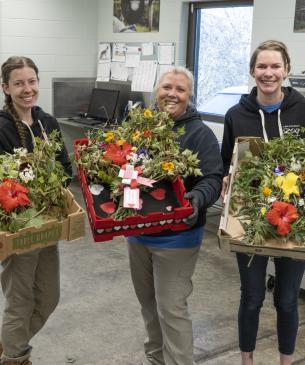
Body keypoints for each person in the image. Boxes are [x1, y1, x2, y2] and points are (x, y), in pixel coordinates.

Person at [127, 66, 223, 365]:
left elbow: (213, 178)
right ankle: (156, 360)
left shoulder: (200, 133)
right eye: (167, 87)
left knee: (171, 309)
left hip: (177, 238)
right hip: (138, 233)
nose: (172, 94)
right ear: (157, 91)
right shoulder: (139, 128)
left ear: (189, 96)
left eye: (180, 90)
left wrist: (196, 197)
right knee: (148, 306)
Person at [221, 40, 305, 365]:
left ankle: (286, 361)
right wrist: (226, 180)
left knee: (286, 301)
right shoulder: (235, 115)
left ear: (286, 70)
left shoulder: (302, 110)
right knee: (252, 297)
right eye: (261, 66)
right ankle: (247, 360)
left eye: (275, 66)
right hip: (249, 219)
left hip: (294, 222)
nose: (268, 73)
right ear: (252, 70)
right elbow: (226, 162)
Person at [0, 56, 72, 364]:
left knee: (49, 298)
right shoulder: (1, 127)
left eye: (31, 81)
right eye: (18, 83)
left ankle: (8, 345)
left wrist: (61, 187)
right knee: (20, 302)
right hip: (19, 228)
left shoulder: (48, 122)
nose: (27, 89)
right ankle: (15, 357)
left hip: (50, 225)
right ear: (5, 88)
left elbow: (65, 167)